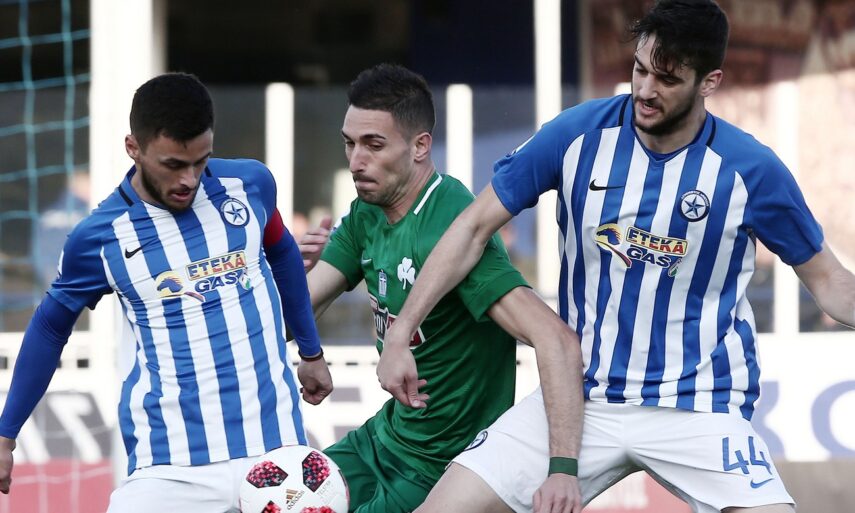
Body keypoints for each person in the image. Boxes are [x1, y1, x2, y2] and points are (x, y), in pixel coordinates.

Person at [381, 2, 855, 512]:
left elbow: (829, 281)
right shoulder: (577, 135)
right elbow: (472, 228)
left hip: (699, 407)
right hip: (578, 400)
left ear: (710, 82)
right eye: (640, 69)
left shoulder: (750, 169)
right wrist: (402, 331)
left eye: (667, 79)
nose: (645, 90)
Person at [0, 72, 333, 512]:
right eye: (174, 165)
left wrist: (311, 351)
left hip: (275, 453)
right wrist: (6, 435)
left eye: (201, 161)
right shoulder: (100, 237)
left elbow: (283, 252)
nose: (189, 179)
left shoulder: (250, 185)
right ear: (133, 148)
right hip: (169, 466)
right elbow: (49, 328)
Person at [298, 63, 584, 513]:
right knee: (269, 499)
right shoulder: (367, 212)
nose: (355, 162)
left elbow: (555, 339)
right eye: (350, 143)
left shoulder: (452, 227)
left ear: (420, 146)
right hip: (382, 440)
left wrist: (562, 469)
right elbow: (296, 309)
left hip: (440, 469)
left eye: (374, 145)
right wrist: (284, 276)